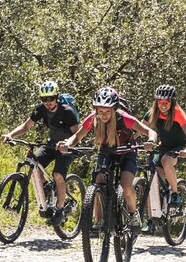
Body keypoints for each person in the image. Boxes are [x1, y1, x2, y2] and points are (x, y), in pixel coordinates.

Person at [59, 86, 156, 229]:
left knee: (126, 184)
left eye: (108, 111)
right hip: (106, 151)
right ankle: (101, 220)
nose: (103, 115)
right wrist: (67, 144)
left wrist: (151, 142)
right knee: (98, 181)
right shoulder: (93, 118)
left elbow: (150, 132)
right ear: (96, 109)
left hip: (127, 151)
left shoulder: (124, 118)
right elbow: (78, 136)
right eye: (100, 111)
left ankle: (133, 214)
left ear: (114, 109)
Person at [2, 80, 81, 221]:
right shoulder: (41, 110)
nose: (48, 102)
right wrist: (10, 135)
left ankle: (60, 209)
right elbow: (26, 126)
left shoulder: (67, 111)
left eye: (50, 98)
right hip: (51, 145)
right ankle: (47, 187)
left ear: (56, 97)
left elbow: (77, 134)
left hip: (67, 147)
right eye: (44, 99)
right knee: (34, 164)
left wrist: (68, 145)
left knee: (58, 175)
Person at [144, 84, 186, 207]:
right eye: (160, 102)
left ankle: (175, 194)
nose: (163, 105)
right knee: (153, 170)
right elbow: (140, 129)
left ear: (172, 102)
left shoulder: (177, 113)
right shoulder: (153, 112)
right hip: (164, 147)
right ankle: (160, 204)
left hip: (180, 148)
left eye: (166, 102)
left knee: (166, 161)